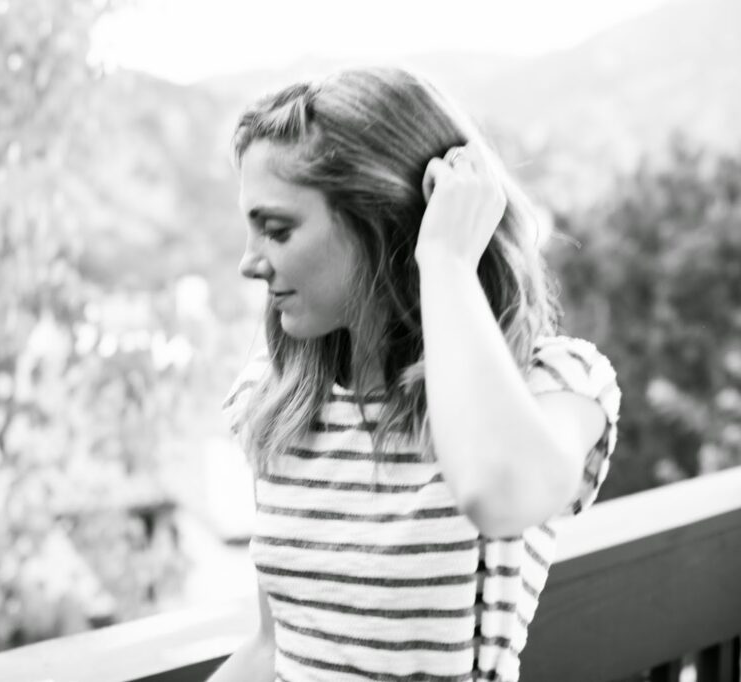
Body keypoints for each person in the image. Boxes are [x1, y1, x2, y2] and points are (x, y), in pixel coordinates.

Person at [209, 68, 621, 682]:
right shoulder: (275, 401)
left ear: (377, 219)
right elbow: (274, 648)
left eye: (277, 229)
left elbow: (500, 495)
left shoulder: (554, 385)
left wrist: (446, 259)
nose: (249, 262)